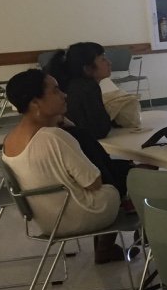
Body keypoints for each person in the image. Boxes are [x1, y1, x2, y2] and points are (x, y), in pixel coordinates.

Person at [2, 69, 124, 263]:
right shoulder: (54, 137)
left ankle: (106, 248)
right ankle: (136, 247)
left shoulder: (9, 140)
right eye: (56, 90)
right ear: (35, 102)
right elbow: (94, 183)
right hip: (83, 214)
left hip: (47, 221)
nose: (64, 94)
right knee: (134, 178)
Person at [45, 42, 134, 197]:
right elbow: (100, 129)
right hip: (88, 161)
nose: (109, 63)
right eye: (102, 59)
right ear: (87, 68)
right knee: (137, 167)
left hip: (77, 156)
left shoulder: (73, 85)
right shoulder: (87, 88)